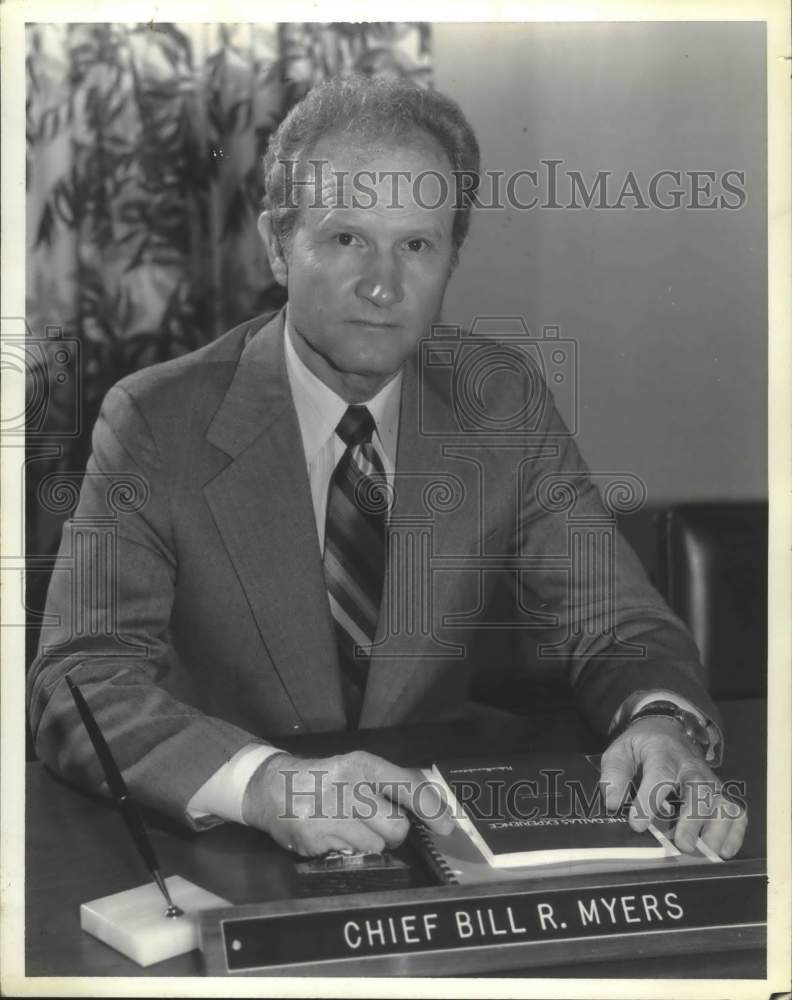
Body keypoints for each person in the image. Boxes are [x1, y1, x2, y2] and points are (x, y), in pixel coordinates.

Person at [27, 75, 746, 860]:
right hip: (226, 843)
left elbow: (619, 625)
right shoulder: (155, 420)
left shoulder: (500, 401)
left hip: (431, 832)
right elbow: (80, 680)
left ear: (451, 257)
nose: (383, 285)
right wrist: (266, 784)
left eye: (416, 244)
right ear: (277, 244)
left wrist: (660, 721)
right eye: (346, 239)